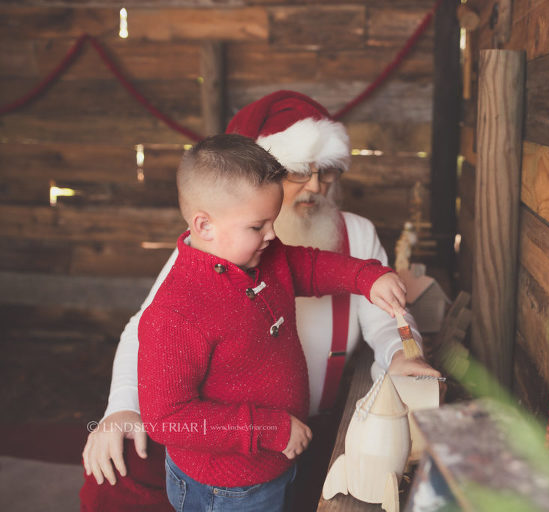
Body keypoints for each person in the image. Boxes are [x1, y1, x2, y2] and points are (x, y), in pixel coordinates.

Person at [80, 91, 440, 511]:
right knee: (119, 473)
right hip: (228, 442)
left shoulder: (344, 235)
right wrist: (122, 406)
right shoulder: (208, 255)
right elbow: (146, 333)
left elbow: (364, 303)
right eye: (298, 172)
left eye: (325, 173)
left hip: (303, 430)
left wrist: (399, 348)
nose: (314, 187)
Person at [139, 133, 406, 511]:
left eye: (273, 222)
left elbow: (311, 266)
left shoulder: (262, 257)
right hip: (227, 487)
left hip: (275, 460)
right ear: (204, 225)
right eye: (257, 226)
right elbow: (169, 419)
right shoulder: (176, 314)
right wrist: (270, 430)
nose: (272, 235)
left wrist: (367, 277)